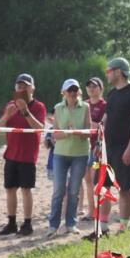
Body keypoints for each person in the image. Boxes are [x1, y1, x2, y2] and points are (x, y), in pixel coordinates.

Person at [90, 57, 130, 238]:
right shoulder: (112, 94)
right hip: (108, 149)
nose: (107, 74)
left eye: (109, 71)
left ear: (118, 72)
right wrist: (99, 143)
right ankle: (103, 229)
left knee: (124, 189)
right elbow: (105, 120)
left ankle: (122, 229)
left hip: (125, 148)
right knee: (103, 188)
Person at [0, 73, 46, 237]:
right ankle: (11, 223)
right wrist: (7, 115)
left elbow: (40, 128)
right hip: (11, 154)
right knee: (10, 189)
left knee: (26, 189)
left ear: (32, 89)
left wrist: (25, 112)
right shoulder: (11, 105)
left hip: (27, 156)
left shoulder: (39, 107)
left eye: (25, 87)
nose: (22, 89)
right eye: (19, 87)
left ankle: (27, 223)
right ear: (15, 88)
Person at [46, 79, 91, 237]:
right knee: (58, 190)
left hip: (80, 154)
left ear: (79, 92)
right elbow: (55, 135)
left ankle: (71, 224)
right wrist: (67, 132)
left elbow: (88, 132)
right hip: (61, 154)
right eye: (69, 90)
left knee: (73, 191)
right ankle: (53, 226)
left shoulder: (85, 107)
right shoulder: (58, 108)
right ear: (63, 92)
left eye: (75, 90)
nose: (72, 93)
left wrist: (77, 132)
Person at [82, 77, 107, 221]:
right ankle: (91, 211)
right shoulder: (84, 104)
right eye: (89, 86)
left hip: (97, 148)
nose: (91, 89)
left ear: (101, 89)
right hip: (84, 146)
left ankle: (97, 211)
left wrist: (90, 124)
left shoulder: (104, 105)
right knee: (88, 180)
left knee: (94, 179)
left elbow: (103, 125)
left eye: (94, 86)